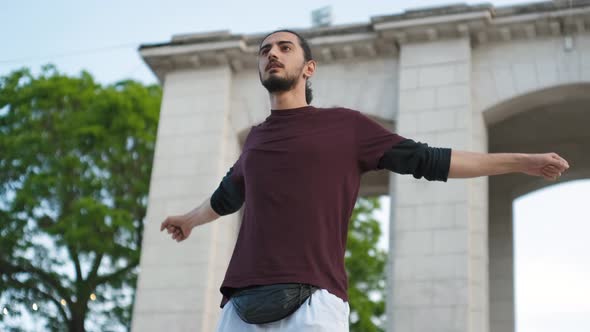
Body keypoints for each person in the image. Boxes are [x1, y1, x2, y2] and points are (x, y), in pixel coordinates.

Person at [160, 30, 570, 331]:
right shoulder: (255, 140)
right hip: (239, 309)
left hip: (313, 306)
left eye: (285, 48)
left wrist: (519, 161)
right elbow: (227, 195)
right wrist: (189, 220)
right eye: (265, 50)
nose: (273, 54)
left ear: (308, 68)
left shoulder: (346, 127)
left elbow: (428, 159)